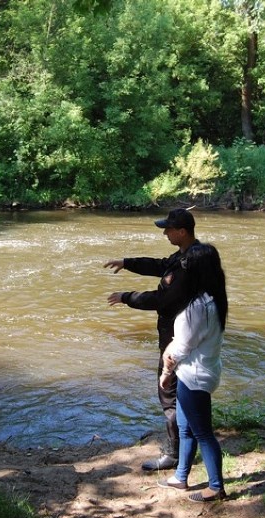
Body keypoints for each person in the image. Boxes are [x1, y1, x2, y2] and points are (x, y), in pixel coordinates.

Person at [105, 208, 200, 471]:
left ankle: (174, 454)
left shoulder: (188, 264)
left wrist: (126, 297)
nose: (165, 233)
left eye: (168, 229)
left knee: (169, 393)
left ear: (182, 231)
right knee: (184, 393)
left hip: (176, 339)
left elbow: (163, 300)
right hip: (187, 336)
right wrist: (128, 262)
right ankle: (186, 446)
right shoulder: (189, 255)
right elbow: (159, 265)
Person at [156, 243, 228, 502]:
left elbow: (182, 346)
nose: (183, 268)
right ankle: (180, 477)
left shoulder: (197, 306)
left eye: (187, 265)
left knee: (203, 433)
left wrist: (166, 370)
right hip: (203, 371)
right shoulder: (215, 297)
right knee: (186, 428)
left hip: (193, 375)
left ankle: (217, 487)